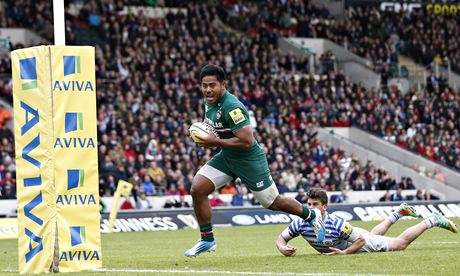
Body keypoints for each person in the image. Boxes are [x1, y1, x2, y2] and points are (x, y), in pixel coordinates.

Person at [184, 64, 325, 257]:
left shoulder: (232, 106)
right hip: (227, 157)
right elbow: (215, 129)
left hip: (249, 159)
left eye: (212, 85)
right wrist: (206, 138)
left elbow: (247, 141)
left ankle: (311, 215)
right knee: (197, 189)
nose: (208, 89)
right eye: (204, 85)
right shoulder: (208, 101)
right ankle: (207, 240)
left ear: (223, 84)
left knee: (273, 203)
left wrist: (213, 141)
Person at [276, 189, 458, 256]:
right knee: (374, 234)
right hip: (353, 236)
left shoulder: (337, 223)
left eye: (315, 204)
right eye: (309, 204)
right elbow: (280, 239)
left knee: (399, 244)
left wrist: (345, 253)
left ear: (325, 206)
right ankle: (398, 213)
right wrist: (282, 247)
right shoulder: (300, 222)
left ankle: (433, 219)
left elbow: (361, 240)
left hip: (356, 242)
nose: (311, 207)